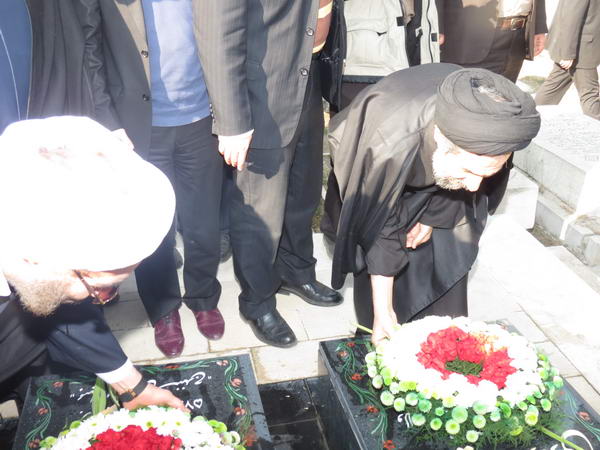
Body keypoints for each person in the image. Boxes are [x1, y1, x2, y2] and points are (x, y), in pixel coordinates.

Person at [328, 64, 541, 344]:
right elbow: (380, 232)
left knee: (447, 250)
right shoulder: (388, 144)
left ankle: (440, 337)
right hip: (377, 169)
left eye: (484, 174)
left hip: (436, 166)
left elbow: (469, 177)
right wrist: (384, 310)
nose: (474, 185)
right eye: (469, 172)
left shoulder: (484, 130)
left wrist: (432, 216)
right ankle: (379, 328)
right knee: (382, 266)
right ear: (443, 144)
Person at [0, 116, 186, 411]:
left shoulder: (36, 261)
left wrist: (134, 388)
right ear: (35, 259)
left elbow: (60, 308)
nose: (96, 300)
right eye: (101, 289)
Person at [78, 0, 226, 357]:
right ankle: (163, 308)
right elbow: (91, 51)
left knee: (204, 221)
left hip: (201, 121)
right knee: (154, 226)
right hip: (140, 126)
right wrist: (108, 120)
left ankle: (204, 296)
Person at [195, 0, 346, 348]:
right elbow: (215, 35)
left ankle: (296, 270)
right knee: (260, 212)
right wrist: (231, 121)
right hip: (258, 93)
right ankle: (257, 301)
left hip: (305, 78)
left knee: (303, 192)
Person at [437, 0, 547, 82]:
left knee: (506, 98)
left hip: (517, 34)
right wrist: (437, 25)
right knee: (467, 98)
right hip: (470, 34)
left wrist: (539, 25)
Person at [535, 0, 600, 120]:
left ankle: (528, 118)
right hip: (580, 49)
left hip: (579, 46)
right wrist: (567, 54)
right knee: (590, 96)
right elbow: (571, 16)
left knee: (553, 87)